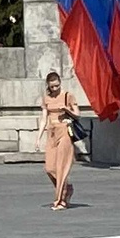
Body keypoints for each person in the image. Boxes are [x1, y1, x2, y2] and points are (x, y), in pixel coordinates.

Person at [38, 71, 80, 210]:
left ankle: (60, 201)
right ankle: (67, 188)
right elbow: (44, 118)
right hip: (52, 132)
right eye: (52, 87)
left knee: (61, 167)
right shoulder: (46, 98)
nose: (55, 89)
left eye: (57, 86)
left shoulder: (68, 96)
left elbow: (77, 115)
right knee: (49, 168)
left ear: (60, 83)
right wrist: (38, 137)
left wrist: (67, 109)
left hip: (64, 131)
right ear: (48, 86)